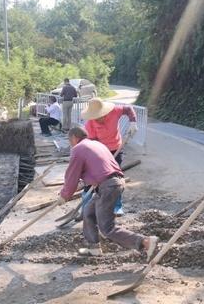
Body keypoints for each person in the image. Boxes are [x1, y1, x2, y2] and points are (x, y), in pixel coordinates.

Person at [57, 127, 158, 257]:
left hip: (107, 186)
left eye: (70, 140)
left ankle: (145, 242)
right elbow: (99, 168)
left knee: (107, 228)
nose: (70, 144)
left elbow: (71, 176)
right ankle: (93, 247)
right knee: (88, 212)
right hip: (115, 182)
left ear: (74, 138)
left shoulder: (78, 149)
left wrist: (64, 195)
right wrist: (85, 182)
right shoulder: (97, 144)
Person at [81, 98, 138, 215]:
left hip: (116, 149)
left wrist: (133, 122)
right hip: (99, 152)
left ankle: (117, 207)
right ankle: (85, 209)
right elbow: (92, 144)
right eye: (95, 117)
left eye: (100, 116)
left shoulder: (114, 111)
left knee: (116, 179)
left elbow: (128, 109)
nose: (98, 119)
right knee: (92, 180)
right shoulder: (90, 124)